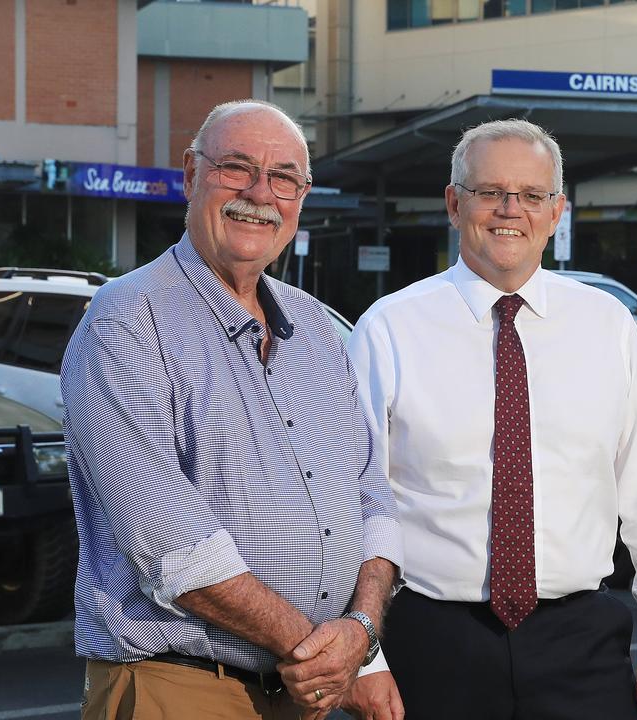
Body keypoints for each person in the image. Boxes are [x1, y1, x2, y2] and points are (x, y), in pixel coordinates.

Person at [342, 118, 637, 720]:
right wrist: (365, 656)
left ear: (556, 212)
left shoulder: (605, 324)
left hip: (582, 642)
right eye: (490, 192)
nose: (511, 210)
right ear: (454, 204)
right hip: (430, 643)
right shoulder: (389, 328)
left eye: (532, 196)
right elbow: (348, 501)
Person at [62, 100, 401, 720]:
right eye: (236, 168)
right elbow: (169, 545)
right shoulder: (127, 321)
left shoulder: (322, 333)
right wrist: (323, 653)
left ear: (302, 196)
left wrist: (361, 634)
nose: (258, 194)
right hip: (183, 687)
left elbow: (373, 499)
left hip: (303, 688)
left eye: (283, 178)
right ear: (191, 176)